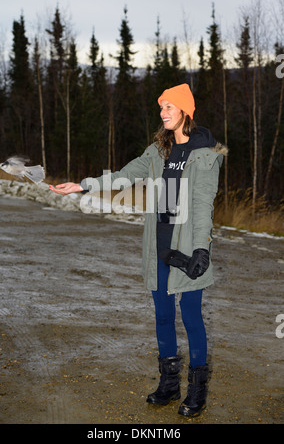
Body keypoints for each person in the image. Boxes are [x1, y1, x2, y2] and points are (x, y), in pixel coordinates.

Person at [49, 83, 227, 418]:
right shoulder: (158, 149)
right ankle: (169, 385)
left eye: (169, 107)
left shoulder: (206, 155)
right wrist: (84, 184)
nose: (163, 113)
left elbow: (204, 205)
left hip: (187, 248)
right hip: (158, 245)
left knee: (190, 317)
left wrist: (202, 248)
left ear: (186, 111)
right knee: (162, 315)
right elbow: (125, 176)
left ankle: (197, 392)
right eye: (161, 108)